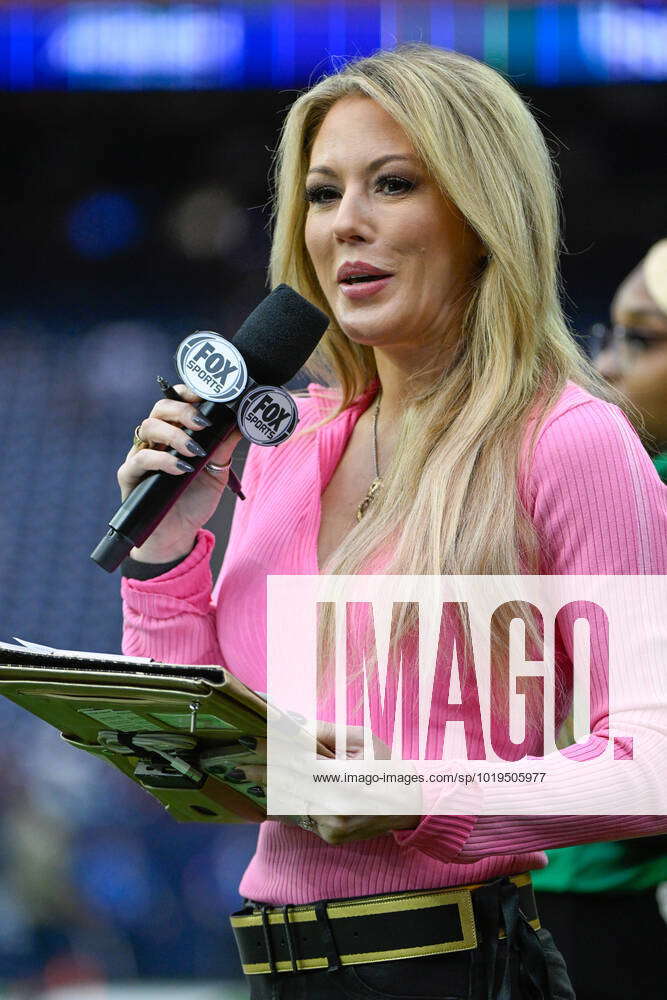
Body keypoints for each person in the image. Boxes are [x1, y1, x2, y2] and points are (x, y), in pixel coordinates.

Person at [116, 46, 667, 999]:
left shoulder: (570, 441)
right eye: (323, 195)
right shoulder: (289, 441)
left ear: (481, 213)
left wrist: (424, 798)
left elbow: (649, 766)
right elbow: (197, 764)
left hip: (457, 967)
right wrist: (165, 551)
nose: (346, 226)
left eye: (393, 184)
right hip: (275, 968)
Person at [533, 238, 667, 999]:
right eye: (604, 337)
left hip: (631, 909)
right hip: (544, 882)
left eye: (641, 338)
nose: (606, 366)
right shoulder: (582, 488)